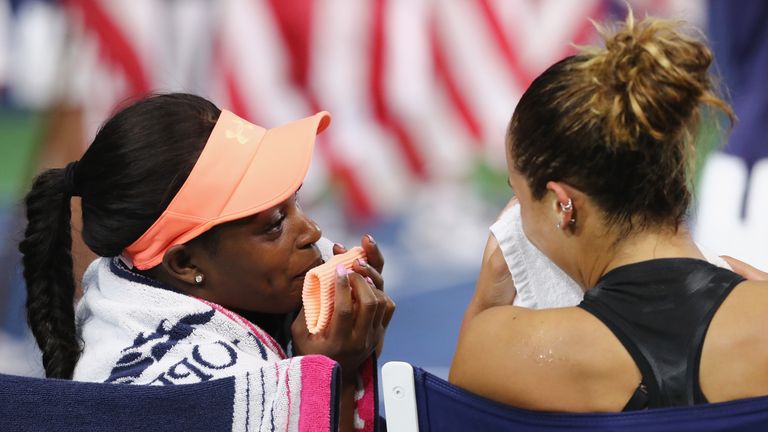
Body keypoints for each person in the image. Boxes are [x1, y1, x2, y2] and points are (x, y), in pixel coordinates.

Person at [18, 93, 394, 431]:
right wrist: (337, 378)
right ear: (185, 264)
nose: (311, 232)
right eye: (275, 224)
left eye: (293, 202)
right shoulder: (179, 395)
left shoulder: (140, 286)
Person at [450, 12, 768, 411]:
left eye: (518, 197)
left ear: (562, 205)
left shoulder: (498, 352)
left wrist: (487, 297)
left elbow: (458, 395)